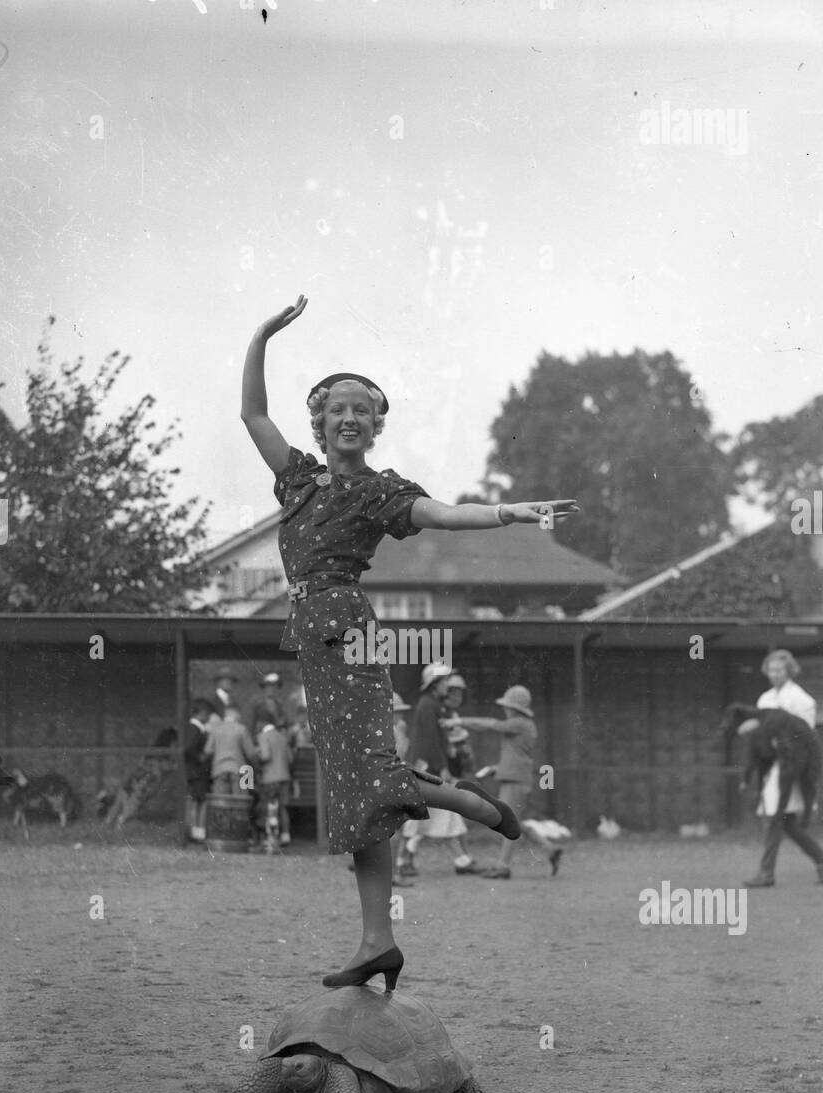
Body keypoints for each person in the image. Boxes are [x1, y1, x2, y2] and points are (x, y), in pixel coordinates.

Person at [240, 293, 578, 989]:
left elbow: (446, 514)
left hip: (350, 633)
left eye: (362, 409)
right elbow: (251, 414)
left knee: (367, 779)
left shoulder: (379, 491)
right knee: (355, 797)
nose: (349, 416)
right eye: (337, 407)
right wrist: (261, 336)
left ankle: (474, 806)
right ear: (320, 420)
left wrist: (509, 512)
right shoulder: (298, 480)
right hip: (312, 639)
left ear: (374, 426)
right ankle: (376, 942)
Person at [743, 649, 823, 888]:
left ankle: (766, 874)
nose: (774, 674)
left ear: (789, 671)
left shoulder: (802, 701)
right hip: (771, 767)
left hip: (791, 768)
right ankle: (821, 859)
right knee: (786, 823)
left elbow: (805, 737)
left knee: (774, 818)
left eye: (779, 670)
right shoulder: (765, 700)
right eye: (771, 670)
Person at [456, 685, 551, 879]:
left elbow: (492, 725)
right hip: (514, 777)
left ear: (514, 708)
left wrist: (459, 721)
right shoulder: (522, 725)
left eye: (507, 706)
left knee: (509, 821)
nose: (504, 709)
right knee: (514, 821)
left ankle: (503, 866)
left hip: (515, 780)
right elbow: (518, 756)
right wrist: (496, 769)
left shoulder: (520, 723)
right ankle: (551, 849)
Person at [398, 664, 479, 877]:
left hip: (428, 769)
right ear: (434, 684)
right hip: (427, 770)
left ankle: (406, 861)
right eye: (444, 682)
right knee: (430, 818)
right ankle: (405, 861)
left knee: (433, 817)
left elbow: (438, 741)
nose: (448, 686)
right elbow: (429, 742)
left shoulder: (434, 705)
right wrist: (442, 767)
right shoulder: (428, 705)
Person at [204, 702, 257, 796]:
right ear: (236, 713)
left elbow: (207, 750)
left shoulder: (216, 729)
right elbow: (251, 753)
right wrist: (256, 768)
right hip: (239, 769)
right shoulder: (241, 729)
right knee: (241, 802)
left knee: (221, 803)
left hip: (219, 770)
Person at [256, 719, 294, 846]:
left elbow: (265, 756)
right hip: (285, 777)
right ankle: (286, 835)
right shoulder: (283, 737)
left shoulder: (263, 736)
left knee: (271, 808)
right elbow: (290, 758)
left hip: (270, 778)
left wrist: (258, 755)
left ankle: (272, 837)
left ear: (261, 724)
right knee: (283, 808)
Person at [184, 697, 215, 842]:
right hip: (197, 771)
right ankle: (196, 833)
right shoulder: (194, 728)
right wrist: (200, 757)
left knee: (198, 800)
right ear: (202, 713)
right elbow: (189, 747)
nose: (208, 718)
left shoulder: (196, 728)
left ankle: (197, 832)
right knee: (198, 801)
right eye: (208, 714)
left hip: (196, 772)